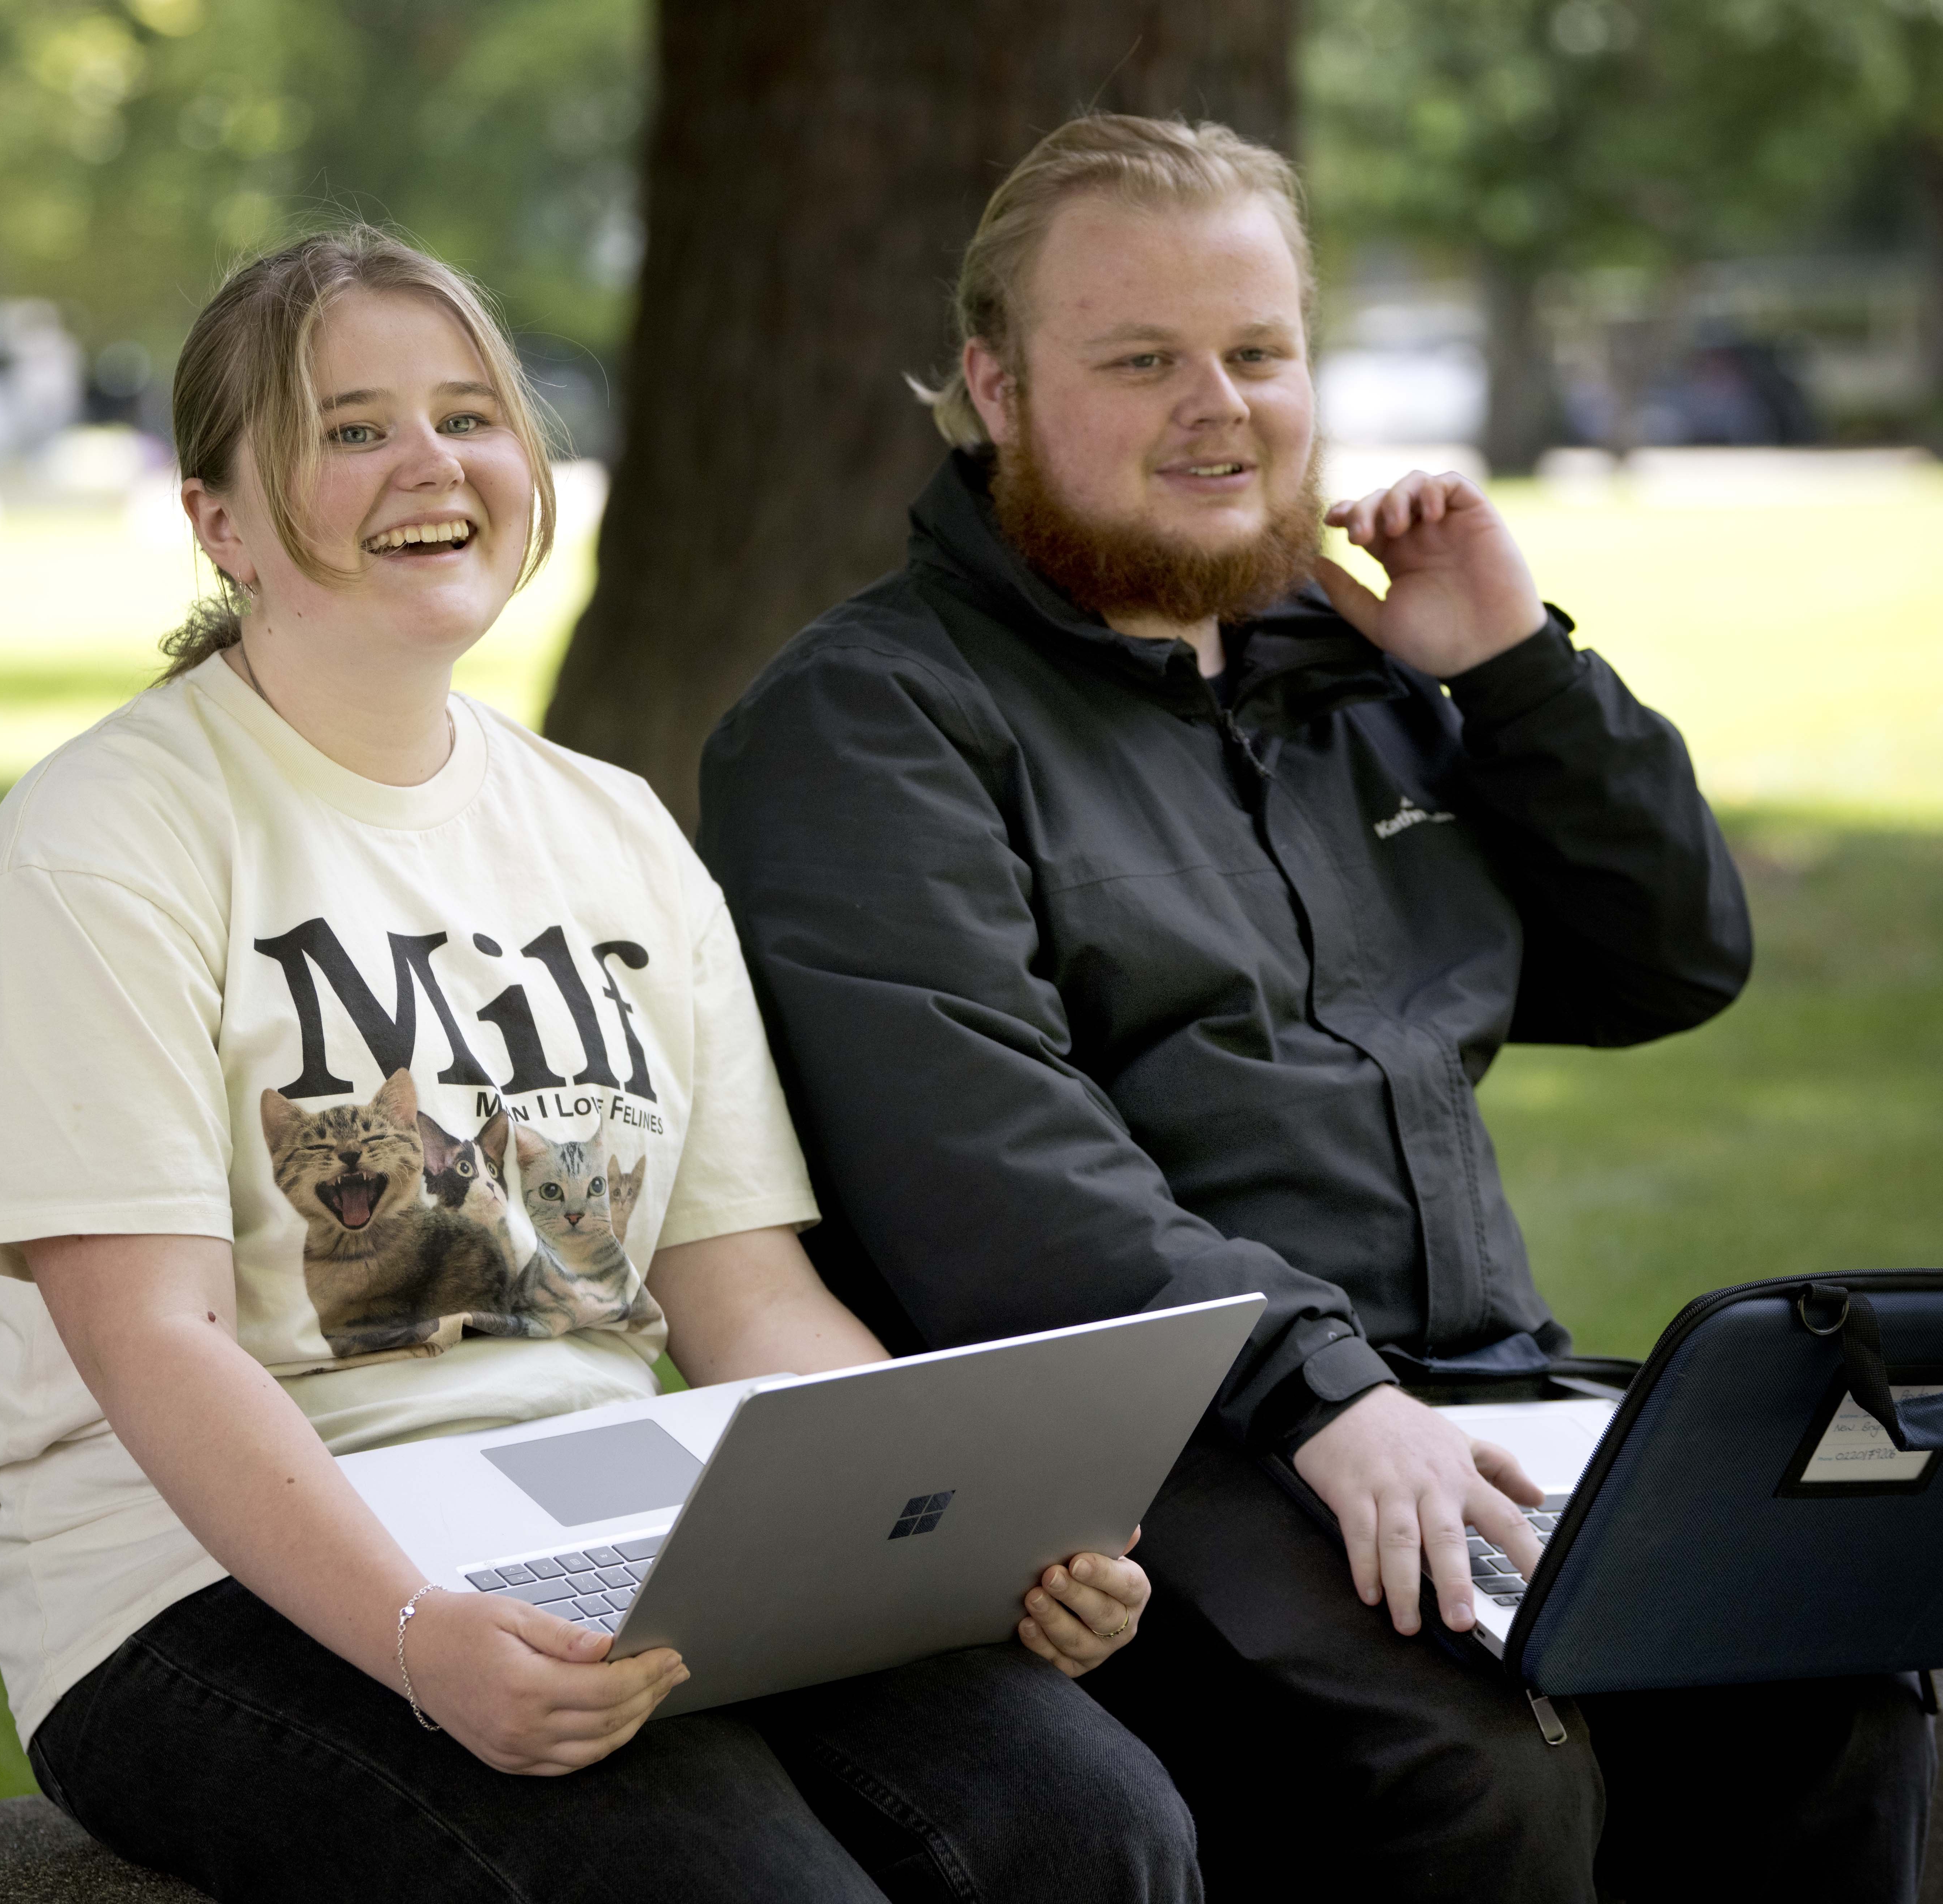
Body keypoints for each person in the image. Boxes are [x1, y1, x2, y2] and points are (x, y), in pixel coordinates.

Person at [697, 115, 1935, 1901]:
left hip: (1481, 1401)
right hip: (1150, 1457)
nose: (1220, 407)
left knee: (1830, 1703)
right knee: (1472, 1780)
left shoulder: (1352, 675)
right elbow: (985, 1163)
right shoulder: (867, 722)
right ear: (994, 386)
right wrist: (1317, 1388)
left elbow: (1665, 958)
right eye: (1141, 360)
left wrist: (1515, 676)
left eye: (1258, 352)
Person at [0, 227, 1202, 1904]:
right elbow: (153, 1342)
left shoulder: (612, 833)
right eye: (351, 427)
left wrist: (965, 1531)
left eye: (470, 413)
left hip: (612, 1525)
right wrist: (413, 1633)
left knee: (1092, 1828)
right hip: (191, 1587)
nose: (430, 463)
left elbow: (742, 1298)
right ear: (219, 520)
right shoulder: (105, 845)